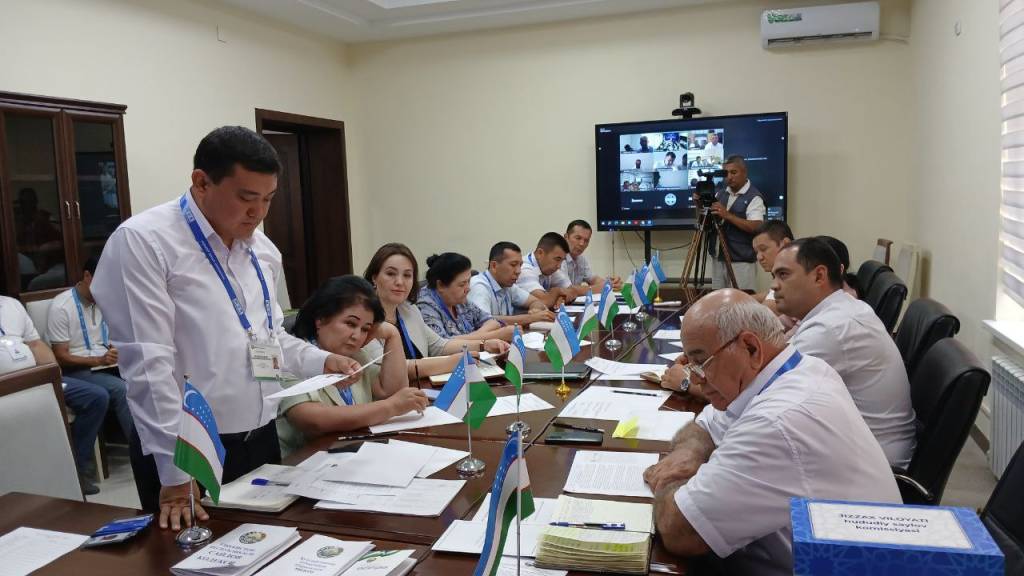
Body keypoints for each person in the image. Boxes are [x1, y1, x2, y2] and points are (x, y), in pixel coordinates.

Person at [93, 126, 361, 529]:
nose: (259, 213)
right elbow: (148, 366)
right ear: (202, 182)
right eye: (247, 198)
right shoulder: (145, 242)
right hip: (190, 448)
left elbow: (269, 338)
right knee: (194, 554)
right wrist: (175, 474)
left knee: (268, 544)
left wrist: (321, 361)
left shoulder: (262, 251)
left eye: (268, 199)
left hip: (260, 437)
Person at [643, 290, 900, 575]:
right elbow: (707, 421)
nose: (695, 378)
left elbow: (679, 531)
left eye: (700, 363)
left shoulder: (778, 420)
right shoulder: (797, 370)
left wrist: (670, 481)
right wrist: (689, 453)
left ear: (751, 348)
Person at [770, 238, 916, 468]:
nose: (774, 286)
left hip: (871, 463)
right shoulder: (843, 308)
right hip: (864, 446)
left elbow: (767, 391)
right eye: (774, 276)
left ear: (819, 276)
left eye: (783, 275)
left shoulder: (832, 329)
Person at [276, 276, 426, 457]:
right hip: (304, 462)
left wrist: (392, 335)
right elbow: (313, 420)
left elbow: (391, 392)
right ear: (320, 319)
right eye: (350, 324)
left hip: (353, 453)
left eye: (365, 329)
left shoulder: (356, 355)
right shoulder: (292, 359)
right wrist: (390, 407)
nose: (357, 336)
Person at [1, 292, 107, 495]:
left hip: (36, 379)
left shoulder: (11, 305)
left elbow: (35, 344)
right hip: (6, 389)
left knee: (96, 397)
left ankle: (77, 467)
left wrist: (54, 374)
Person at [363, 243, 508, 381]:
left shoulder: (409, 310)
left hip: (420, 388)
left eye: (407, 275)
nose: (400, 282)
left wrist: (484, 345)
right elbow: (390, 369)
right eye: (391, 274)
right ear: (374, 278)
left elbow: (440, 346)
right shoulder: (365, 318)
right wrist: (449, 363)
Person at [47, 256, 133, 442]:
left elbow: (116, 334)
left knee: (144, 377)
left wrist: (116, 348)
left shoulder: (107, 300)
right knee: (122, 389)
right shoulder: (62, 306)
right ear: (87, 276)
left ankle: (156, 441)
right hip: (78, 370)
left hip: (108, 364)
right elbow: (60, 356)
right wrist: (98, 360)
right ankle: (140, 452)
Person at [698, 155, 765, 291]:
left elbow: (756, 227)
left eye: (734, 172)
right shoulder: (720, 194)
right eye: (726, 173)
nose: (729, 177)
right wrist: (698, 204)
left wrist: (728, 215)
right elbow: (707, 223)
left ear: (744, 172)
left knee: (741, 301)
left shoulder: (754, 197)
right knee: (719, 300)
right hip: (718, 258)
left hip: (741, 261)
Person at [417, 252, 513, 342]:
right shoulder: (425, 305)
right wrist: (495, 335)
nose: (468, 289)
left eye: (468, 281)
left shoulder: (460, 300)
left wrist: (477, 335)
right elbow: (443, 344)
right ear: (441, 285)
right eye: (462, 284)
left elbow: (492, 322)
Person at [468, 242, 555, 327]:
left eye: (520, 265)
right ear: (494, 266)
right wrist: (530, 318)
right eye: (513, 265)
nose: (518, 271)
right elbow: (484, 321)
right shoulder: (479, 286)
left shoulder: (508, 285)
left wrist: (535, 310)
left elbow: (535, 301)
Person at [516, 232, 578, 308]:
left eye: (562, 260)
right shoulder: (524, 269)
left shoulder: (549, 268)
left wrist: (561, 297)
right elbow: (543, 301)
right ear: (540, 253)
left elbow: (572, 291)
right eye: (557, 259)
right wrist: (557, 292)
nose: (559, 266)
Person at [561, 220, 622, 292]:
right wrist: (601, 287)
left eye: (586, 240)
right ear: (566, 237)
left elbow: (593, 279)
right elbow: (567, 290)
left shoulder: (580, 259)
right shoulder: (558, 259)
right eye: (578, 238)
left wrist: (612, 283)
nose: (582, 244)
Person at [751, 220, 794, 311]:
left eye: (763, 249)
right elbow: (768, 294)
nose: (759, 257)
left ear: (786, 244)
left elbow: (763, 314)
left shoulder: (795, 276)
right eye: (756, 252)